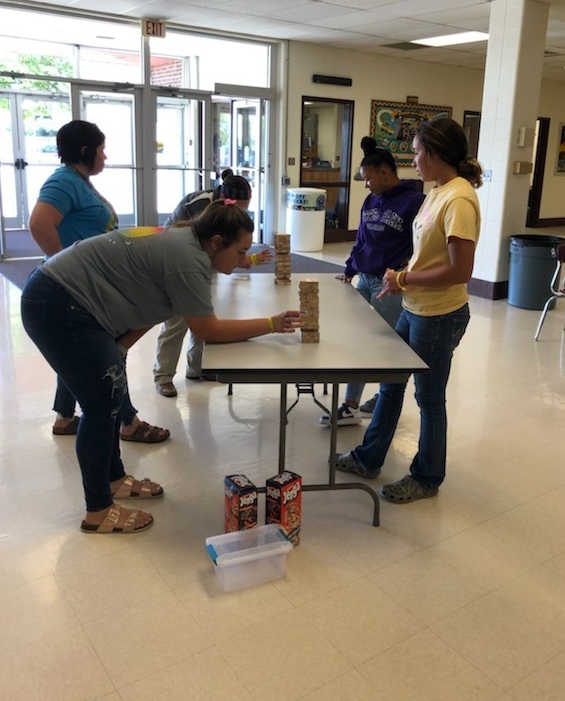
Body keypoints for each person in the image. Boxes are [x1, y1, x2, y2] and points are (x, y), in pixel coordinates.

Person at [21, 201, 302, 534]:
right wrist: (271, 323)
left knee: (110, 400)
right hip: (58, 301)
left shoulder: (189, 243)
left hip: (67, 298)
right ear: (216, 241)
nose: (243, 260)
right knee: (100, 407)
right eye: (240, 251)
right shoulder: (188, 260)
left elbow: (154, 303)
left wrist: (120, 347)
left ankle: (113, 480)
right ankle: (98, 510)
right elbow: (208, 330)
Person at [335, 117, 482, 504]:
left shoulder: (459, 199)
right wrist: (401, 276)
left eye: (417, 152)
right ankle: (369, 458)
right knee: (390, 380)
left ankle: (427, 477)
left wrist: (406, 281)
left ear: (434, 153)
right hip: (415, 306)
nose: (413, 160)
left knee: (429, 400)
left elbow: (460, 270)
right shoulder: (437, 191)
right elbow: (424, 253)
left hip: (439, 314)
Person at [28, 120, 169, 444]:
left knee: (79, 350)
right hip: (81, 289)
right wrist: (65, 268)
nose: (104, 157)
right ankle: (129, 422)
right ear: (84, 150)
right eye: (101, 150)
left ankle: (65, 416)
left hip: (91, 285)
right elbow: (39, 224)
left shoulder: (79, 181)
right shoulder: (63, 181)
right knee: (109, 352)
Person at [318, 136, 424, 426]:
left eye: (368, 178)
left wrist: (406, 270)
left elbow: (423, 244)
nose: (366, 184)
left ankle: (376, 397)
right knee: (358, 341)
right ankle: (357, 402)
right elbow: (362, 240)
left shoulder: (414, 202)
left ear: (385, 172)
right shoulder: (370, 200)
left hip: (388, 284)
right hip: (365, 279)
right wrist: (350, 269)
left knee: (383, 345)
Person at [153, 174, 272, 396]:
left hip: (201, 258)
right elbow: (208, 250)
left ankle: (198, 367)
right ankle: (163, 375)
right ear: (225, 199)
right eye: (238, 208)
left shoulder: (226, 214)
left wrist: (244, 259)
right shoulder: (204, 208)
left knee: (204, 312)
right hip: (178, 260)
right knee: (177, 318)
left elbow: (220, 252)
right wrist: (243, 260)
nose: (240, 214)